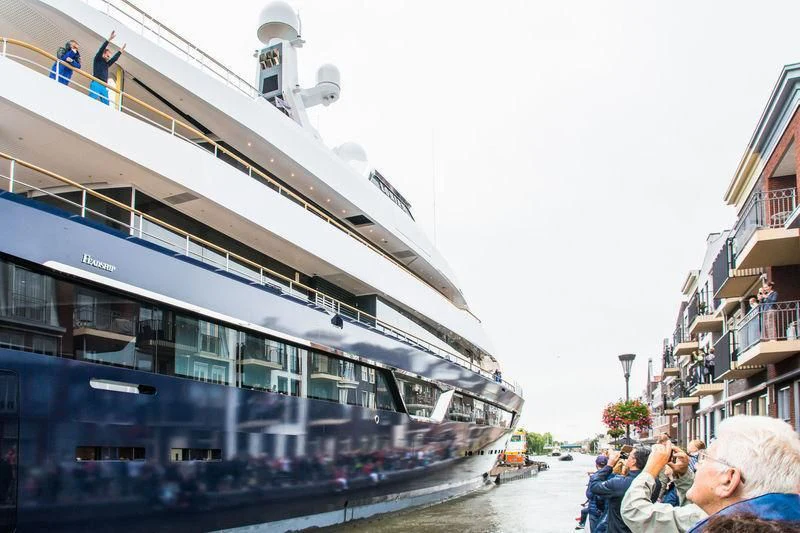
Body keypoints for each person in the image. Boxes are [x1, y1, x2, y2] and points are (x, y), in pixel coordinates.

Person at [621, 416, 800, 533]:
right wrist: (683, 476)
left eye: (705, 457)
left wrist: (650, 469)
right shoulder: (783, 520)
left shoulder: (710, 521)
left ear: (728, 479)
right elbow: (694, 508)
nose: (697, 464)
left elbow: (635, 512)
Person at [590, 448, 660, 533]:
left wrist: (609, 465)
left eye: (629, 456)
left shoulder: (618, 483)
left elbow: (594, 486)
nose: (626, 458)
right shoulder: (655, 482)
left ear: (634, 461)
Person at [90, 31, 125, 105]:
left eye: (109, 56)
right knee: (91, 100)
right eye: (107, 55)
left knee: (106, 104)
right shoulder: (98, 59)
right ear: (103, 54)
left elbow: (114, 59)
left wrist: (120, 52)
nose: (109, 58)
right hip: (96, 82)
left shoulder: (107, 64)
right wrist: (109, 39)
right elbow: (101, 49)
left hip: (104, 85)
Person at [584, 454, 609, 532]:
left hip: (594, 510)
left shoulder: (594, 477)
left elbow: (589, 494)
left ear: (596, 464)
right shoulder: (612, 476)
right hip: (606, 510)